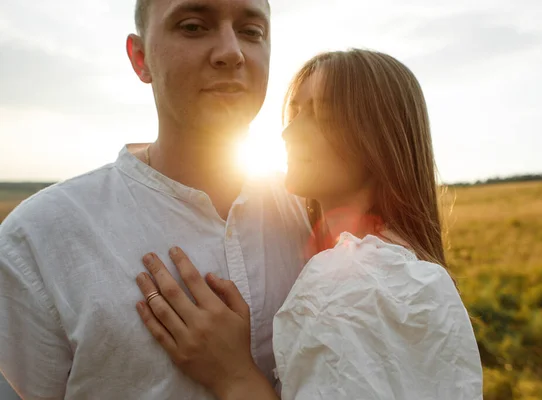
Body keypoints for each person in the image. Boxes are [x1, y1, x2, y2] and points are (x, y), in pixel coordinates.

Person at [0, 0, 311, 399]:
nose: (232, 51)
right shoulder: (37, 239)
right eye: (194, 26)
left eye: (252, 32)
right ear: (140, 57)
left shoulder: (311, 214)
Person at [133, 49, 484, 399]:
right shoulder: (402, 268)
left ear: (378, 138)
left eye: (320, 114)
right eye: (295, 111)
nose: (289, 132)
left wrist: (233, 374)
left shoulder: (356, 278)